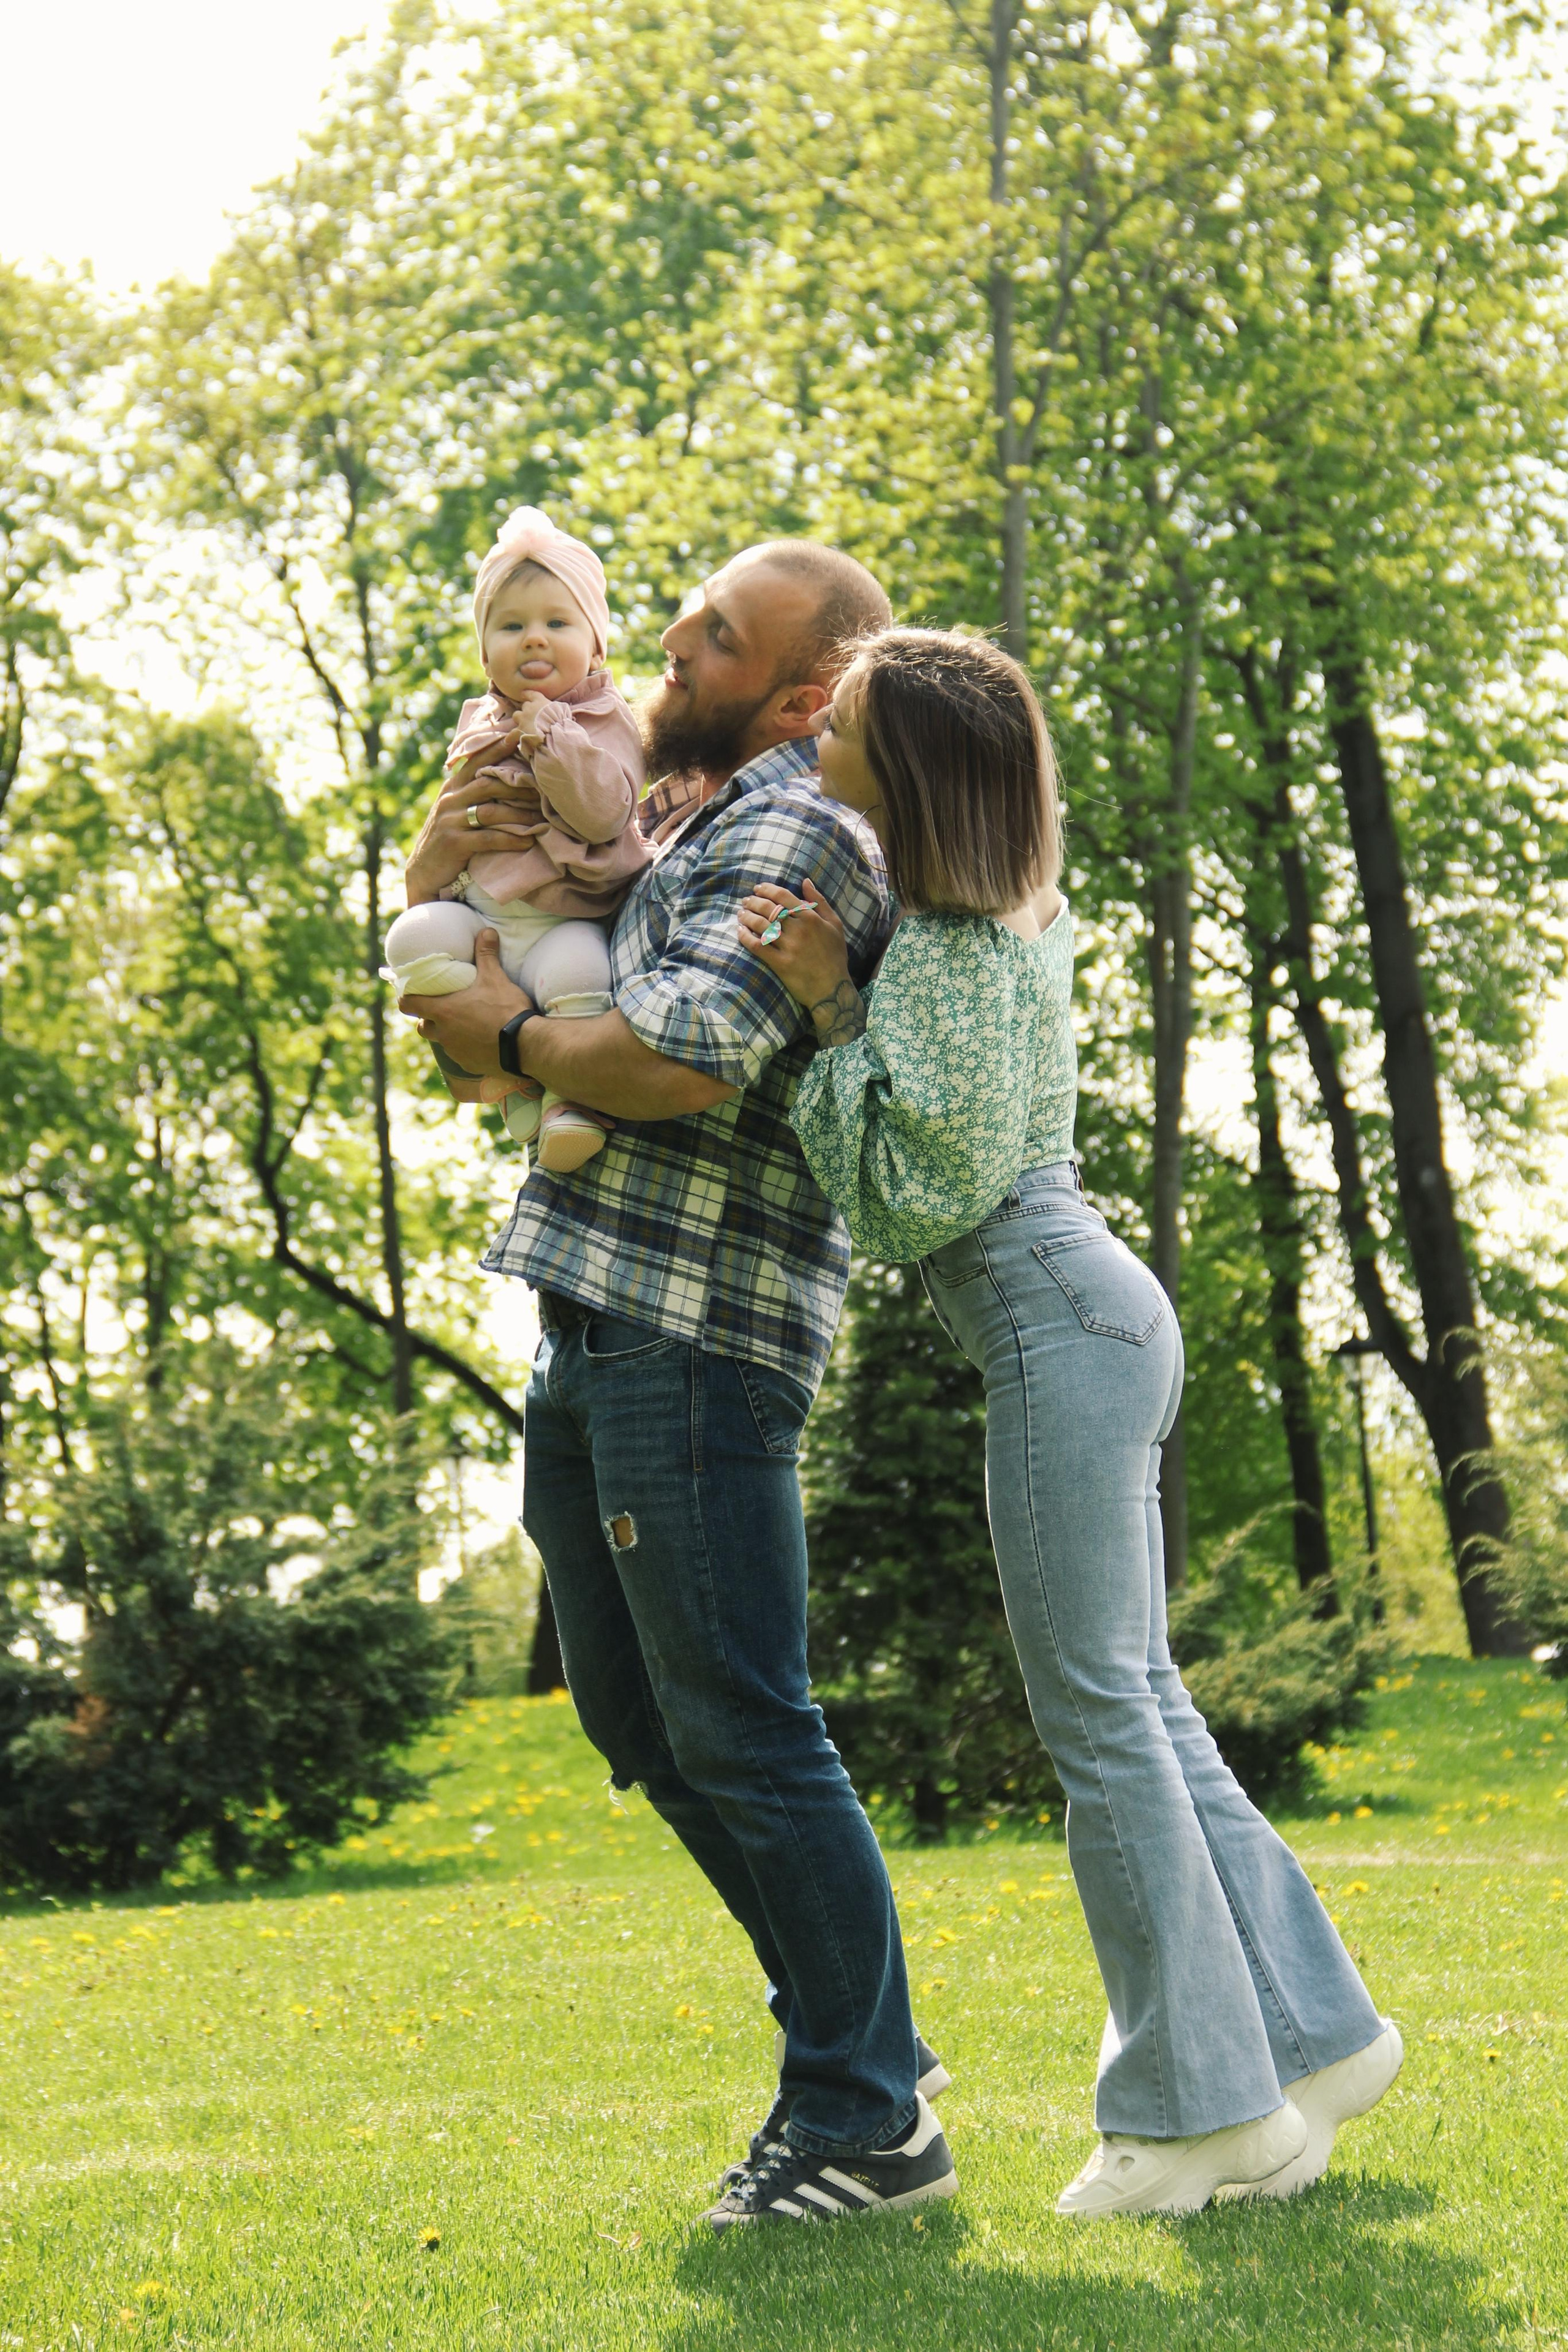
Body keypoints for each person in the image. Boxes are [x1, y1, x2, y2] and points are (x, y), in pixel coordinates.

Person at [741, 626, 1403, 2220]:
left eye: (838, 724)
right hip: (1089, 1311)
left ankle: (1193, 2122)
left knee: (1102, 1721)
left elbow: (910, 1203)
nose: (813, 735)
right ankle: (1311, 2042)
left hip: (1057, 1318)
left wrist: (827, 1016)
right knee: (1143, 1703)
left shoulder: (957, 957)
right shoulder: (994, 918)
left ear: (905, 773)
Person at [399, 543, 958, 2230]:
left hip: (697, 1328)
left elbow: (679, 1060)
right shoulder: (689, 819)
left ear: (803, 692)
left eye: (716, 629)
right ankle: (866, 2050)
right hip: (597, 1304)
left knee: (746, 1722)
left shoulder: (800, 825)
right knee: (643, 1722)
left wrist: (500, 1034)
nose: (669, 633)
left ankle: (865, 2117)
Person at [382, 507, 648, 1172]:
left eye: (557, 623)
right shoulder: (478, 718)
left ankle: (567, 1099)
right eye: (511, 627)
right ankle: (507, 1081)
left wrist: (552, 740)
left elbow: (602, 815)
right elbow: (457, 820)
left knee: (582, 977)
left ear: (595, 646)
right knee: (408, 940)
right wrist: (435, 880)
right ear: (484, 654)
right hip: (486, 919)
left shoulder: (602, 717)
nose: (534, 640)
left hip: (565, 915)